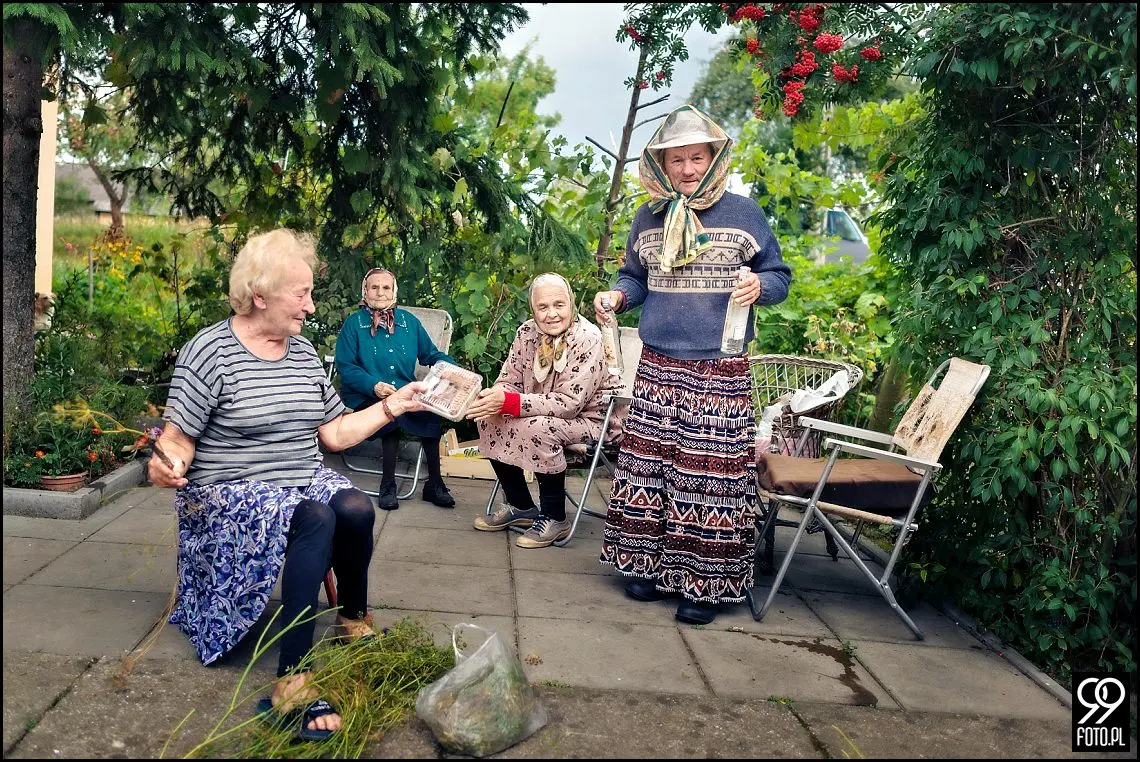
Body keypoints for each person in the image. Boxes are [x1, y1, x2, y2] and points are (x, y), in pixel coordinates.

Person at [147, 229, 430, 741]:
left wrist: (394, 405)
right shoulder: (210, 351)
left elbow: (334, 433)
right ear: (260, 295)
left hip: (298, 475)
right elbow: (178, 439)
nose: (311, 306)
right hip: (230, 488)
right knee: (314, 517)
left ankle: (352, 618)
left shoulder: (300, 353)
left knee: (356, 507)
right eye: (301, 294)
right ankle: (292, 679)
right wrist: (166, 463)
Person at [594, 104, 792, 626]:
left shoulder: (744, 213)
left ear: (714, 158)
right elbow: (635, 278)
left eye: (696, 158)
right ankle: (649, 570)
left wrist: (759, 285)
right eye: (676, 159)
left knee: (708, 478)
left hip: (719, 368)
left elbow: (779, 277)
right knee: (651, 471)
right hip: (658, 363)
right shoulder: (649, 216)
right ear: (661, 163)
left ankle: (704, 586)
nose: (687, 169)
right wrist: (618, 295)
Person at [468, 273, 624, 548]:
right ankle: (520, 505)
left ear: (571, 303)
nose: (552, 314)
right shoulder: (526, 333)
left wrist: (510, 402)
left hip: (592, 422)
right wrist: (494, 397)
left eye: (559, 305)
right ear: (533, 309)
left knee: (539, 427)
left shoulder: (588, 338)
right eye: (543, 307)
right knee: (487, 416)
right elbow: (509, 380)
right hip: (541, 412)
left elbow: (569, 404)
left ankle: (555, 518)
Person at [334, 267, 457, 510]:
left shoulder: (409, 323)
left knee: (429, 412)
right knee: (390, 413)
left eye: (386, 287)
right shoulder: (353, 324)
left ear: (394, 292)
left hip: (402, 390)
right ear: (365, 291)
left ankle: (434, 484)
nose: (380, 292)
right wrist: (373, 385)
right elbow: (346, 367)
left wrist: (453, 370)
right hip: (365, 393)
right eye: (374, 287)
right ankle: (388, 484)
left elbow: (430, 354)